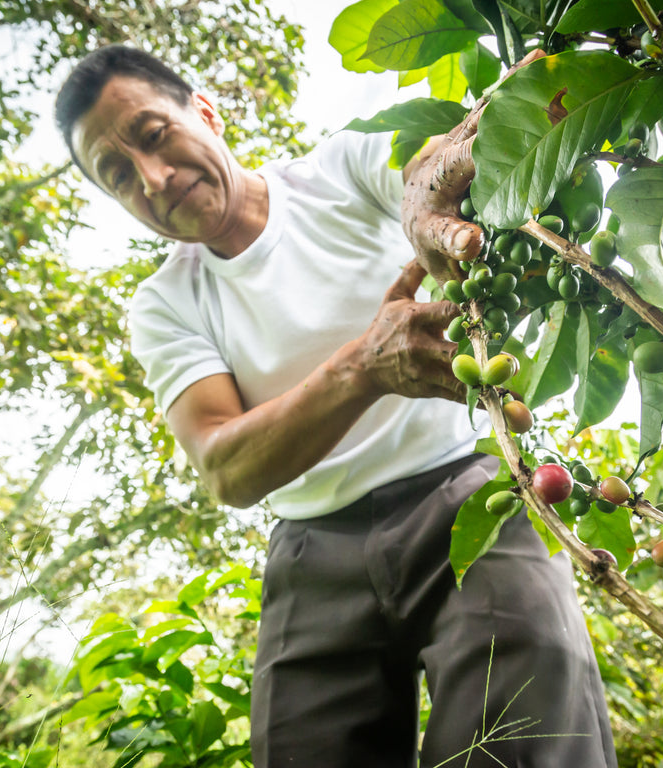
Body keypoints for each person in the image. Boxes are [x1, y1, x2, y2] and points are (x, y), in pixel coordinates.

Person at [55, 44, 617, 768]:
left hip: (472, 496)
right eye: (120, 177)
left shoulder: (340, 170)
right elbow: (225, 468)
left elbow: (421, 180)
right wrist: (362, 368)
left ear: (204, 111)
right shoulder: (167, 303)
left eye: (154, 136)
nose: (154, 178)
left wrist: (441, 193)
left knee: (524, 733)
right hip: (312, 551)